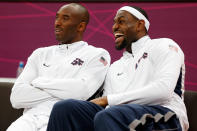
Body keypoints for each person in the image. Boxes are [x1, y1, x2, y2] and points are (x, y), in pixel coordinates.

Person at [46, 5, 189, 131]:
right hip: (117, 115)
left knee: (110, 115)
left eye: (121, 22)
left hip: (166, 114)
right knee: (65, 108)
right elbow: (110, 105)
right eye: (114, 23)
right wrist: (107, 102)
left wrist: (107, 100)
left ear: (140, 25)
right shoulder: (115, 67)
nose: (114, 27)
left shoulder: (164, 45)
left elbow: (163, 91)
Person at [7, 3, 110, 131]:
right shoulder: (40, 53)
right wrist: (64, 92)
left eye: (65, 18)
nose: (57, 23)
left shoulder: (98, 54)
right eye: (57, 18)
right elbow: (16, 98)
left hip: (62, 120)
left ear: (81, 26)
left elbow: (81, 92)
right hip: (29, 118)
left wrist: (39, 82)